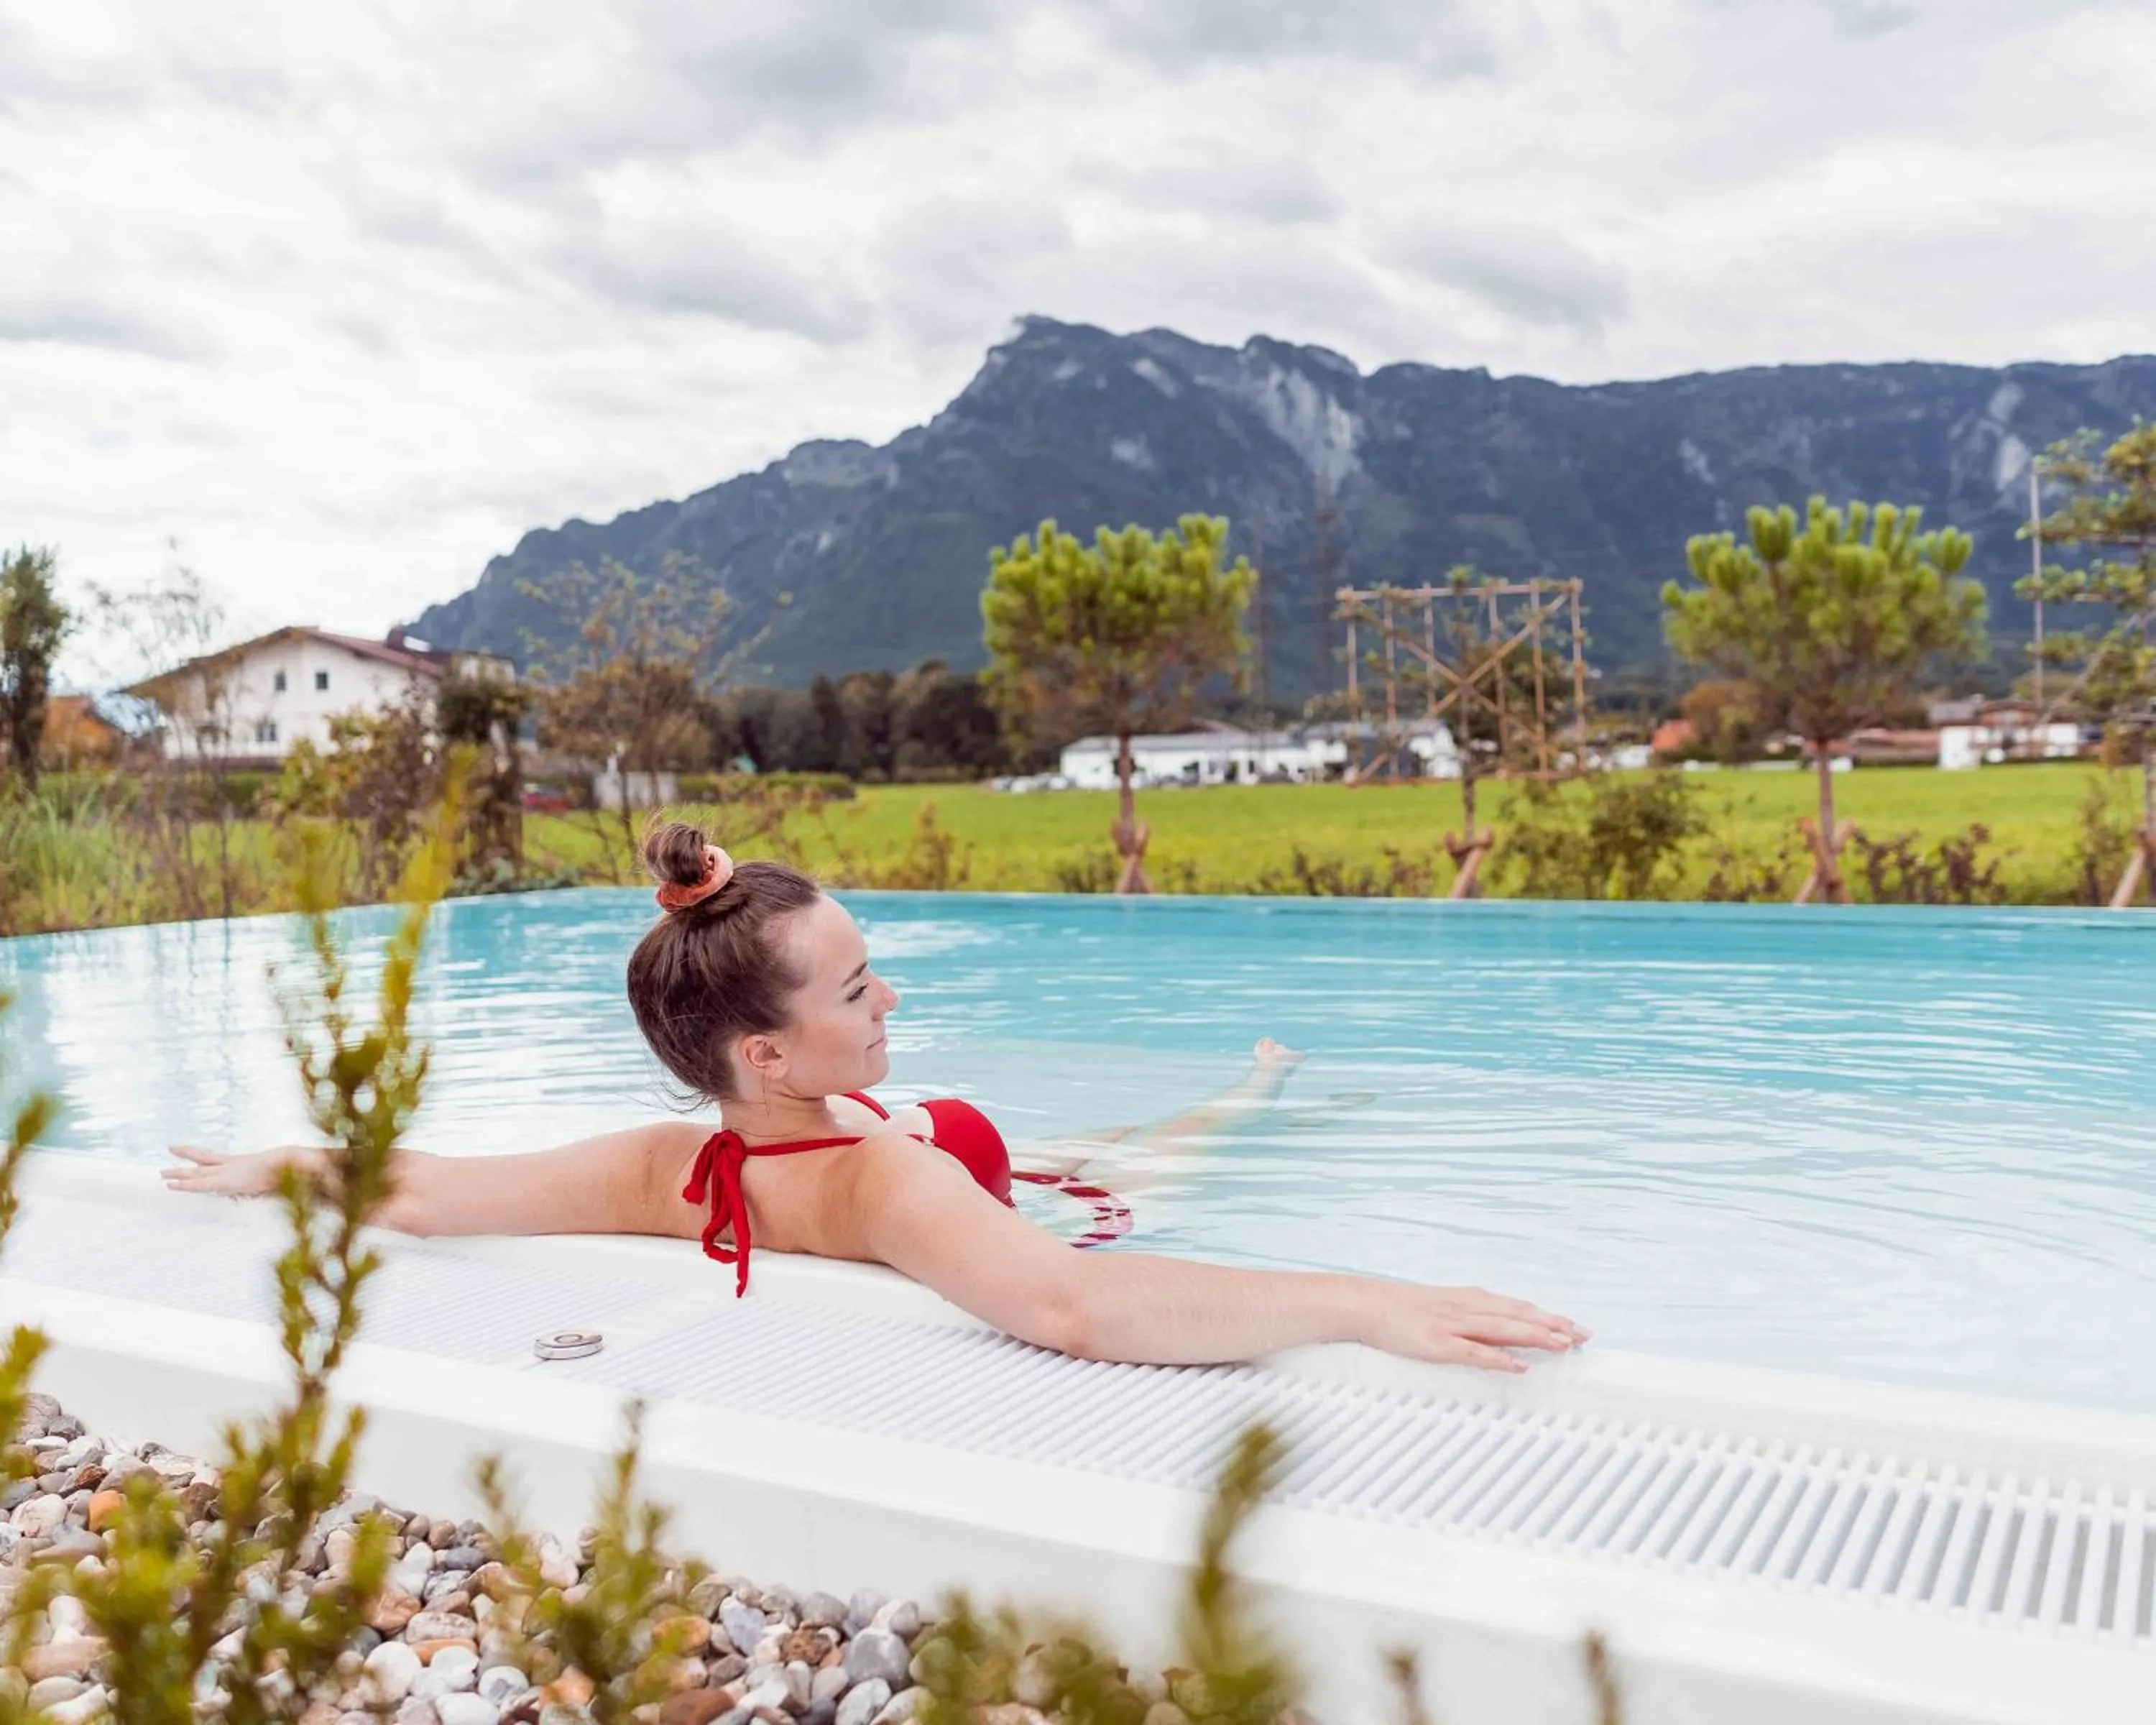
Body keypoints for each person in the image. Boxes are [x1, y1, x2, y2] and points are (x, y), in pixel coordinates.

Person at [164, 822, 1587, 1373]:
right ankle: (1263, 1088)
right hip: (996, 1187)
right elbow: (1082, 1307)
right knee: (1163, 1153)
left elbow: (434, 1186)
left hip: (928, 1149)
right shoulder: (891, 1185)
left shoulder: (664, 1161)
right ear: (765, 1055)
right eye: (857, 994)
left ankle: (1257, 1087)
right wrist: (1364, 1299)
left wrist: (282, 1162)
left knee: (1079, 1140)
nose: (889, 1001)